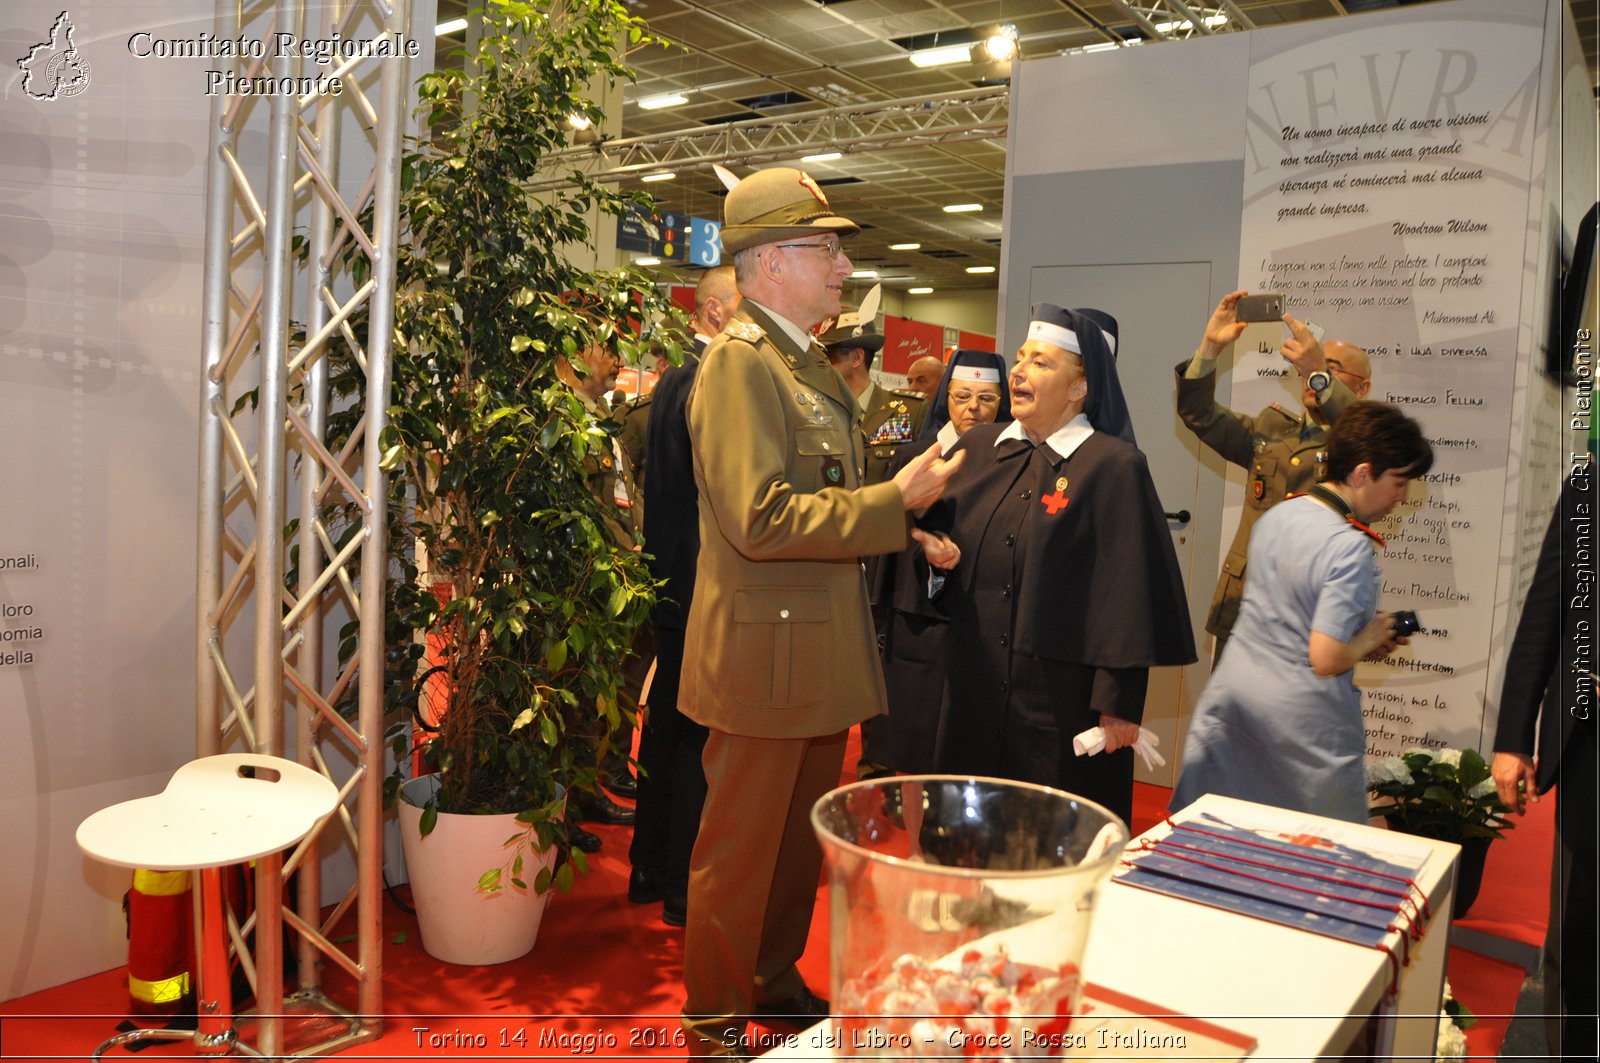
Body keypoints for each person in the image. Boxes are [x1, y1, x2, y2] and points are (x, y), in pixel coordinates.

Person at [678, 166, 962, 1057]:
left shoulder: (800, 363)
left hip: (813, 649)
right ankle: (713, 1018)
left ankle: (769, 975)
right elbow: (758, 518)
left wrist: (894, 520)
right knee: (739, 851)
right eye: (825, 248)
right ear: (768, 263)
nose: (843, 266)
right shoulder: (739, 367)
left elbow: (819, 498)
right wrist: (893, 506)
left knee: (796, 848)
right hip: (763, 658)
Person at [921, 305, 1195, 826]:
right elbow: (933, 550)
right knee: (968, 845)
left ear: (1078, 388)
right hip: (973, 693)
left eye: (1041, 364)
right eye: (1020, 359)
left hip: (1059, 709)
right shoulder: (978, 450)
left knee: (1050, 850)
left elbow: (1127, 594)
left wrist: (1117, 707)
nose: (1019, 371)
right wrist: (935, 559)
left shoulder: (1114, 467)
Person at [1173, 401, 1433, 823]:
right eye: (1400, 482)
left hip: (1237, 702)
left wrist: (1358, 640)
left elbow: (1288, 615)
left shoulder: (1280, 514)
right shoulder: (1349, 545)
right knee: (1309, 861)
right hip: (1299, 725)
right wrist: (1371, 636)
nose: (1401, 498)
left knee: (1220, 844)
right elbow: (1325, 658)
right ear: (1364, 473)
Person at [627, 265, 741, 928]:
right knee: (695, 739)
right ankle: (681, 886)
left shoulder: (673, 379)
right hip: (704, 590)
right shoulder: (712, 382)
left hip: (674, 583)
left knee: (668, 730)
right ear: (720, 313)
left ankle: (650, 866)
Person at [1177, 290, 1372, 664]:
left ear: (1362, 388)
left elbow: (1366, 447)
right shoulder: (1271, 429)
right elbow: (1197, 413)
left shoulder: (1365, 449)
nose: (1313, 377)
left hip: (1309, 620)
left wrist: (1319, 374)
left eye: (1331, 369)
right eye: (1312, 367)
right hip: (1243, 609)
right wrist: (1210, 348)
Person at [1491, 455, 1596, 1059]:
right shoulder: (1590, 487)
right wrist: (1512, 738)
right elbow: (1543, 618)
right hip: (1591, 744)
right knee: (1579, 934)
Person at [871, 349, 1011, 774]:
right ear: (946, 398)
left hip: (985, 623)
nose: (973, 408)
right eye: (963, 395)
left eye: (986, 398)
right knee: (915, 742)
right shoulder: (913, 457)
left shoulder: (1013, 462)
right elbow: (885, 545)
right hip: (919, 620)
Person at [822, 304, 927, 779]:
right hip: (830, 559)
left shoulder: (910, 414)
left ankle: (877, 769)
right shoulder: (819, 414)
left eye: (829, 357)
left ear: (854, 359)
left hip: (884, 566)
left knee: (881, 669)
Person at [554, 337, 643, 849]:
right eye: (606, 348)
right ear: (573, 353)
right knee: (567, 701)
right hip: (577, 588)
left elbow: (621, 499)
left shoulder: (598, 419)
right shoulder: (562, 419)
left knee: (590, 701)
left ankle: (583, 795)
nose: (618, 361)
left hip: (608, 586)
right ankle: (558, 813)